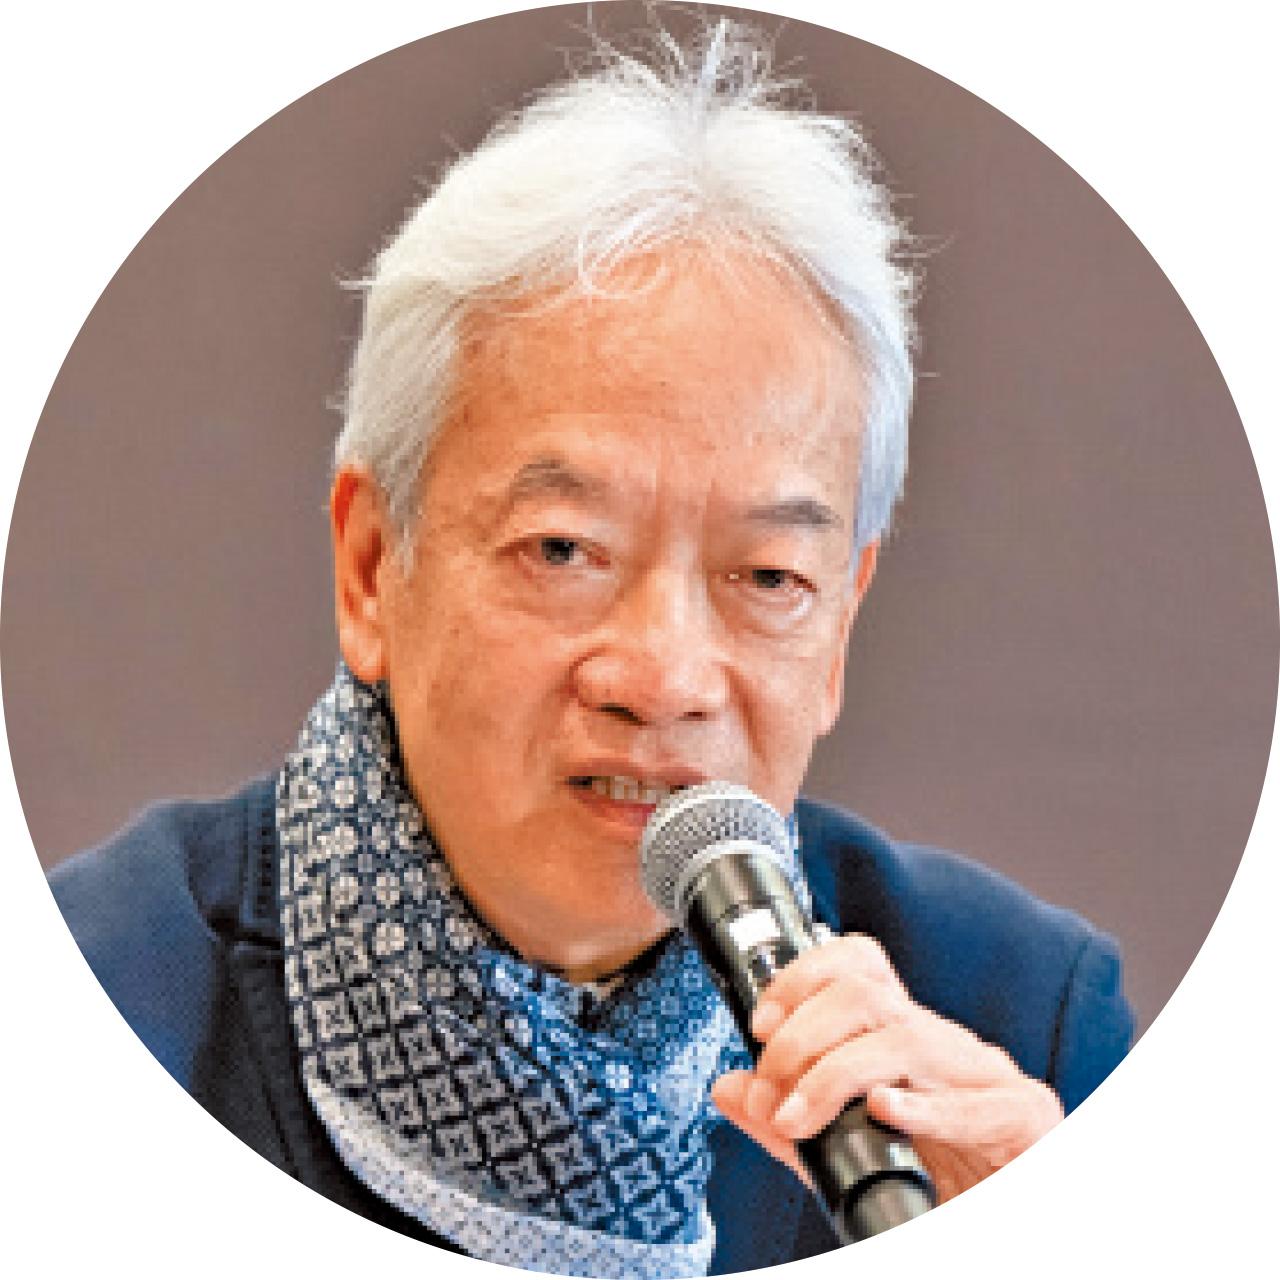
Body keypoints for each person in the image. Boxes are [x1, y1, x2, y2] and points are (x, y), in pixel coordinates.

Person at [48, 20, 1132, 1278]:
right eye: (563, 549)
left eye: (767, 577)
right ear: (370, 568)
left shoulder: (1019, 1029)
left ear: (839, 620)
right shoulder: (97, 1005)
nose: (663, 679)